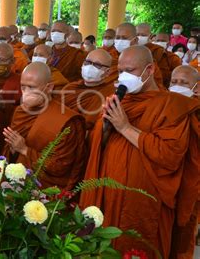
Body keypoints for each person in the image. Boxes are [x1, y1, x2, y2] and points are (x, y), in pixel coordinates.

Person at [80, 46, 200, 258]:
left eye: (131, 70)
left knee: (138, 247)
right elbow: (100, 145)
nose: (124, 76)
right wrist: (105, 126)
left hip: (145, 201)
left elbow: (169, 155)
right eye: (120, 71)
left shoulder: (172, 106)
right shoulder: (120, 99)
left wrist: (125, 127)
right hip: (109, 193)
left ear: (150, 69)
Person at [2, 62, 86, 190]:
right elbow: (11, 152)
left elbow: (61, 166)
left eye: (32, 87)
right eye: (23, 87)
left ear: (49, 88)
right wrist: (13, 149)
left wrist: (25, 149)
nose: (26, 93)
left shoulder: (67, 121)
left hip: (44, 188)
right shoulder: (20, 111)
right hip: (15, 179)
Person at [169, 65, 199, 259]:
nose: (178, 86)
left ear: (196, 87)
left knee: (184, 227)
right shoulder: (163, 105)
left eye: (184, 83)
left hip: (190, 179)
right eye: (174, 82)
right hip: (165, 177)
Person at [60, 49, 115, 130]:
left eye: (97, 65)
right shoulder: (70, 87)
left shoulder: (108, 94)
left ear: (107, 72)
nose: (90, 67)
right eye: (88, 62)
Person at [116, 23, 165, 87]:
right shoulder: (109, 58)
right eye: (117, 38)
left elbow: (155, 87)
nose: (120, 41)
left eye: (124, 38)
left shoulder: (146, 60)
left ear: (135, 40)